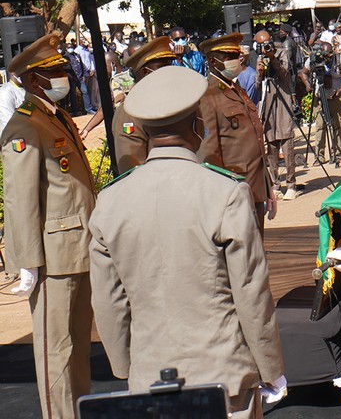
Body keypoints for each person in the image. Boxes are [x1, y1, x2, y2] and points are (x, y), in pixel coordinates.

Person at [89, 65, 286, 419]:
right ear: (197, 124)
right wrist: (270, 367)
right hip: (223, 376)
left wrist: (125, 367)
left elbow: (108, 299)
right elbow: (250, 293)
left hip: (149, 377)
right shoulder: (225, 193)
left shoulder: (111, 200)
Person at [1, 32, 96, 419]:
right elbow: (20, 199)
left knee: (78, 346)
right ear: (32, 79)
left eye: (62, 68)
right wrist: (25, 260)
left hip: (79, 246)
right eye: (55, 71)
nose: (64, 76)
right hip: (51, 257)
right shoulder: (25, 127)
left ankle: (79, 411)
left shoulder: (53, 118)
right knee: (55, 349)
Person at [198, 33, 276, 228]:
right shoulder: (207, 97)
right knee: (243, 254)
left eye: (236, 56)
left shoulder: (236, 89)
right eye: (229, 57)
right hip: (233, 192)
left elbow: (255, 143)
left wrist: (268, 188)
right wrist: (221, 198)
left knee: (257, 251)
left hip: (255, 187)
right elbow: (208, 153)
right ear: (212, 61)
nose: (236, 61)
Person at [113, 36, 179, 173]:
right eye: (162, 67)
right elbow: (132, 169)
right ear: (145, 72)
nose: (169, 71)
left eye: (170, 65)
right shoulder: (130, 112)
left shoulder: (174, 101)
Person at [254, 29, 299, 200]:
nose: (264, 48)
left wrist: (273, 58)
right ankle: (275, 184)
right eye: (260, 45)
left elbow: (284, 74)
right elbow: (257, 86)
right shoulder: (259, 58)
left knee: (287, 143)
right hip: (268, 105)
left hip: (283, 103)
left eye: (265, 43)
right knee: (271, 145)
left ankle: (291, 184)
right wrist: (259, 73)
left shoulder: (282, 53)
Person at [300, 41, 341, 166]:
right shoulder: (314, 60)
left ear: (333, 51)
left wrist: (340, 91)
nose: (327, 57)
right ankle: (319, 156)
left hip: (336, 98)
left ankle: (337, 155)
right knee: (320, 127)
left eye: (330, 54)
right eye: (325, 55)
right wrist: (308, 84)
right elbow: (303, 73)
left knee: (337, 126)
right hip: (319, 98)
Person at [74, 36, 97, 113]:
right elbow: (79, 63)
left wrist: (92, 69)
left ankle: (91, 106)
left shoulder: (87, 50)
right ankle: (87, 109)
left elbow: (90, 60)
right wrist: (83, 73)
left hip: (90, 72)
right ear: (80, 41)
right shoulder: (77, 50)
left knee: (90, 90)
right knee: (85, 91)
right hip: (83, 73)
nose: (85, 41)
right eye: (83, 40)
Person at [0, 70, 26, 134]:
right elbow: (7, 123)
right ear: (12, 73)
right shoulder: (6, 91)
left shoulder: (27, 89)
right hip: (16, 137)